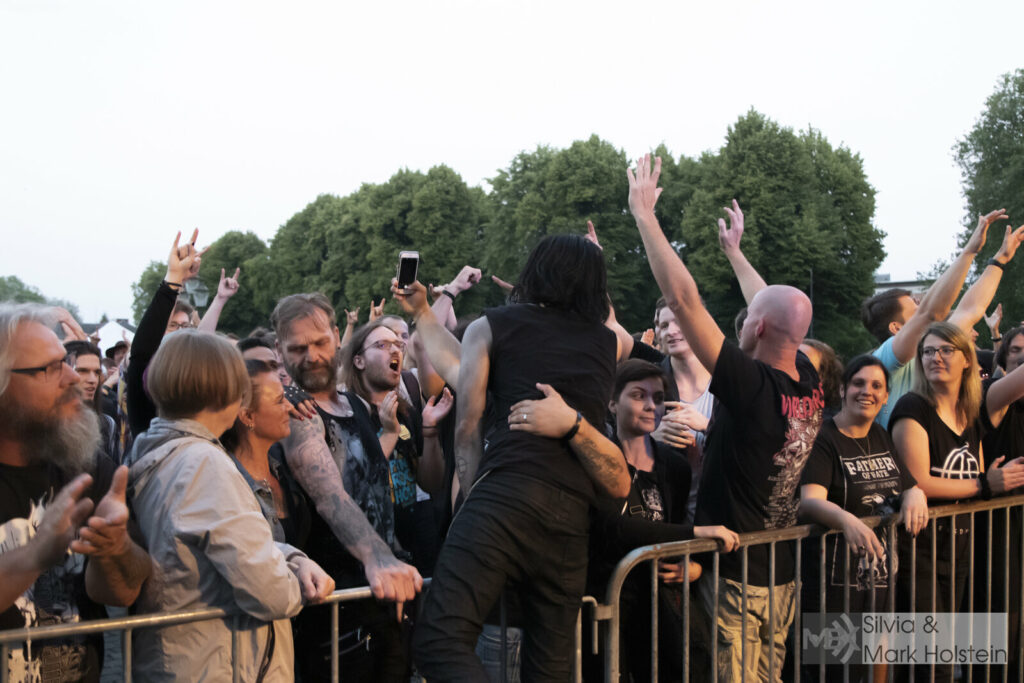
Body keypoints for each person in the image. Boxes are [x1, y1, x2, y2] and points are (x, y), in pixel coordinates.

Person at [628, 155, 821, 682]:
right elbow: (770, 307)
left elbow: (683, 298)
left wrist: (645, 217)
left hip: (737, 577)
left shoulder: (752, 387)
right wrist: (735, 254)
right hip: (779, 570)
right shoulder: (806, 377)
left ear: (755, 330)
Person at [412, 233, 631, 681]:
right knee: (549, 670)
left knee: (439, 638)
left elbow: (468, 429)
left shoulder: (492, 326)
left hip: (506, 494)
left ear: (534, 271)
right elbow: (454, 365)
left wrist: (473, 502)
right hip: (572, 518)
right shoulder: (610, 343)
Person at [125, 330, 333, 682]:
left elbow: (214, 541)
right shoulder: (205, 465)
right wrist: (298, 581)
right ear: (226, 390)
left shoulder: (159, 450)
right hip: (218, 666)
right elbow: (271, 593)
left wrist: (288, 556)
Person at [271, 293, 424, 682]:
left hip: (383, 596)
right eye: (298, 348)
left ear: (337, 335)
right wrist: (379, 557)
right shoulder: (298, 414)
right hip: (337, 608)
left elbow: (370, 479)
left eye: (320, 342)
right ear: (280, 351)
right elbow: (329, 494)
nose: (312, 356)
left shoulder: (355, 403)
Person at [0, 303, 150, 681]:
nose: (72, 377)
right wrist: (35, 553)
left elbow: (122, 593)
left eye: (64, 361)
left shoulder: (85, 464)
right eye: (49, 368)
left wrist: (114, 548)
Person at [587, 359, 739, 682]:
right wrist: (696, 534)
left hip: (657, 602)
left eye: (658, 398)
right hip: (604, 599)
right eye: (639, 395)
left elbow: (672, 523)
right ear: (612, 402)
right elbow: (612, 528)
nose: (650, 405)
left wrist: (693, 563)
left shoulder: (674, 466)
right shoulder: (599, 458)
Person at [889, 321, 1024, 683]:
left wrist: (984, 482)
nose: (935, 357)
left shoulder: (971, 409)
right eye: (928, 351)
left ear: (966, 360)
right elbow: (918, 480)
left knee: (952, 658)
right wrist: (986, 484)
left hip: (960, 548)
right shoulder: (912, 406)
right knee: (928, 663)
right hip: (921, 551)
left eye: (946, 350)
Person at [798, 354, 929, 682]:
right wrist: (847, 521)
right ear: (842, 389)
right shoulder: (824, 438)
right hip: (833, 586)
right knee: (834, 672)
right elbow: (810, 501)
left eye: (876, 386)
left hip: (881, 581)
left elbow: (905, 484)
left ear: (886, 396)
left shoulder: (882, 436)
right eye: (858, 383)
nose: (866, 391)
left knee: (876, 663)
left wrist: (915, 492)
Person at [861, 211, 1024, 427]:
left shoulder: (929, 347)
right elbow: (932, 313)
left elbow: (971, 309)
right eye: (915, 310)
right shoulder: (885, 360)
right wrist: (969, 251)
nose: (923, 310)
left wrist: (999, 260)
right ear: (896, 328)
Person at [220, 359, 311, 548]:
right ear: (247, 416)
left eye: (287, 396)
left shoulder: (281, 467)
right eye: (280, 400)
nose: (289, 406)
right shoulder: (229, 488)